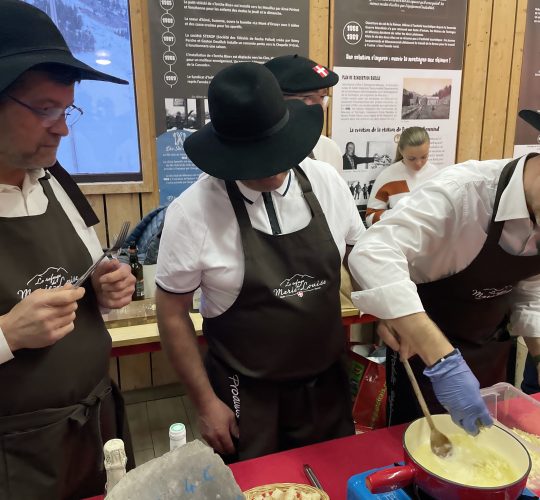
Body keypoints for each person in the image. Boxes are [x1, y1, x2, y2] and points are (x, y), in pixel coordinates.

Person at [156, 62, 364, 461]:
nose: (271, 167)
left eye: (277, 151)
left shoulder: (326, 183)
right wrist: (204, 403)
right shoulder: (194, 211)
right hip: (245, 396)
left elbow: (360, 256)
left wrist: (391, 309)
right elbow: (171, 313)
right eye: (255, 158)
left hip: (327, 387)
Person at [0, 2, 136, 498]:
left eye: (67, 109)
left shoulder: (56, 181)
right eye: (45, 110)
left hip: (92, 432)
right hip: (14, 459)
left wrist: (102, 285)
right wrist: (7, 334)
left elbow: (83, 274)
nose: (62, 128)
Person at [348, 108, 540, 435]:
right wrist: (444, 362)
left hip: (491, 353)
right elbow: (373, 250)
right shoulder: (466, 192)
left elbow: (532, 296)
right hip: (424, 354)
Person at [264, 54, 343, 171]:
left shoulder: (328, 149)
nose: (323, 108)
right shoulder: (256, 153)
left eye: (324, 97)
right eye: (320, 97)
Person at [365, 127, 441, 226]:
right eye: (411, 158)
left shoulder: (435, 173)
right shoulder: (388, 176)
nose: (418, 163)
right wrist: (398, 217)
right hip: (398, 238)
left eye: (424, 157)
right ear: (401, 151)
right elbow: (370, 216)